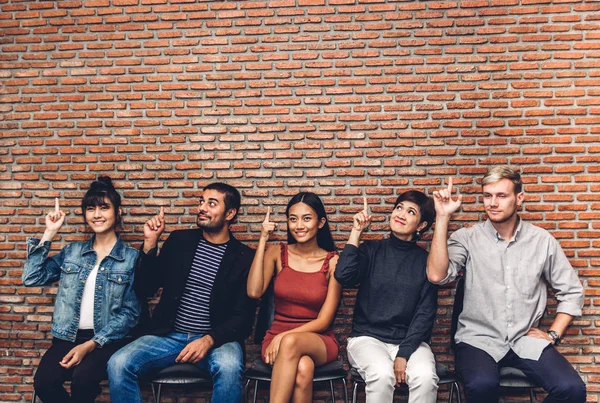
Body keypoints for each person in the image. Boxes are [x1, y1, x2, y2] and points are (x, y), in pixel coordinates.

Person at [427, 166, 586, 403]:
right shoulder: (467, 238)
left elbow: (572, 291)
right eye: (487, 196)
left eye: (501, 196)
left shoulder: (542, 241)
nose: (493, 203)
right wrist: (442, 217)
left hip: (525, 338)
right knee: (482, 386)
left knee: (572, 389)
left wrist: (553, 333)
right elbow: (437, 276)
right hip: (478, 340)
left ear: (519, 198)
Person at [107, 182, 255, 403]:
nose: (202, 208)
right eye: (201, 202)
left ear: (230, 213)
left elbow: (243, 317)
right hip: (169, 336)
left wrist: (208, 340)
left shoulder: (244, 257)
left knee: (230, 368)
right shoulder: (179, 241)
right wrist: (149, 244)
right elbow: (145, 288)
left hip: (217, 340)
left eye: (211, 204)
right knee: (118, 364)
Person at [22, 176, 140, 403]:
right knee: (44, 383)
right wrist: (49, 233)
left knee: (82, 381)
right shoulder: (72, 252)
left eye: (104, 208)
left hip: (108, 341)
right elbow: (31, 277)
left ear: (118, 212)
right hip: (67, 337)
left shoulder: (131, 258)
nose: (97, 214)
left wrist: (90, 345)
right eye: (90, 208)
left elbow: (130, 314)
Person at [334, 192, 439, 403]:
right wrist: (356, 231)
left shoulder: (427, 262)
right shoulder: (372, 250)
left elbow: (425, 313)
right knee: (382, 375)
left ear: (421, 225)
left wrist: (404, 353)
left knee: (426, 378)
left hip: (410, 340)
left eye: (411, 212)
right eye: (399, 207)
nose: (401, 214)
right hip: (367, 338)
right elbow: (343, 276)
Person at [247, 192, 342, 403]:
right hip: (275, 339)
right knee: (304, 367)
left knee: (291, 343)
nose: (299, 225)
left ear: (321, 222)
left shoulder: (333, 261)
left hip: (319, 339)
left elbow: (324, 321)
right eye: (292, 218)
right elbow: (254, 292)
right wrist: (263, 239)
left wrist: (285, 338)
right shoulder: (277, 252)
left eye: (306, 218)